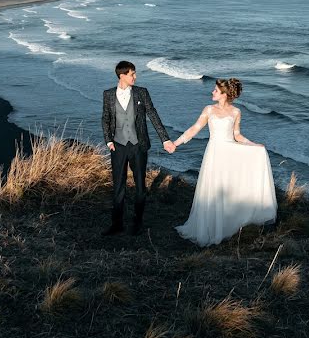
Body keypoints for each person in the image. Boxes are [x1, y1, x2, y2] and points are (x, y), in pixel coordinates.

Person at [174, 78, 277, 246]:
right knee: (214, 188)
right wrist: (176, 143)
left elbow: (237, 135)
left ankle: (227, 224)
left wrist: (253, 145)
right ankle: (212, 228)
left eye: (215, 90)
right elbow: (194, 129)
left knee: (229, 187)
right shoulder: (209, 109)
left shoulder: (236, 112)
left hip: (229, 152)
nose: (212, 92)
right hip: (214, 152)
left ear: (224, 94)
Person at [101, 60, 175, 236]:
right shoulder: (108, 94)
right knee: (118, 187)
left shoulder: (142, 92)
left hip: (138, 146)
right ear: (122, 75)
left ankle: (137, 222)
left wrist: (165, 139)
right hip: (117, 146)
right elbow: (105, 118)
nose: (135, 76)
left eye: (134, 73)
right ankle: (117, 224)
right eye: (132, 73)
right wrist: (108, 141)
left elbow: (153, 115)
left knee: (140, 187)